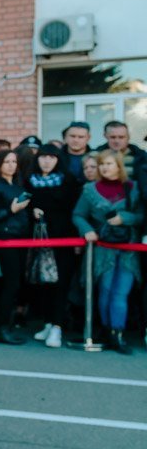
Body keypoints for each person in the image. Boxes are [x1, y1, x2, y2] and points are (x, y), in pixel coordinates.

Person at [73, 150, 142, 353]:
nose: (104, 168)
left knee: (121, 292)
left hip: (128, 248)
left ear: (119, 166)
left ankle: (118, 334)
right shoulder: (90, 189)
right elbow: (78, 215)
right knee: (105, 290)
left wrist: (125, 219)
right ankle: (106, 330)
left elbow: (141, 216)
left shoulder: (133, 188)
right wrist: (87, 230)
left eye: (109, 164)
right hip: (103, 248)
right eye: (102, 164)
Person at [26, 145, 81, 348]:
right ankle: (48, 323)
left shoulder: (68, 181)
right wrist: (32, 210)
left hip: (64, 240)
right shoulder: (29, 181)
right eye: (43, 157)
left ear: (58, 159)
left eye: (51, 157)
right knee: (44, 284)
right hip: (40, 240)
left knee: (60, 283)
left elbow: (75, 211)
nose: (46, 161)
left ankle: (58, 327)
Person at [0, 148, 32, 344]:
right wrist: (10, 210)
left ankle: (1, 325)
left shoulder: (18, 184)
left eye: (14, 162)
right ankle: (1, 327)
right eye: (7, 161)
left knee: (12, 283)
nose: (12, 165)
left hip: (20, 237)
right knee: (10, 284)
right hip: (4, 238)